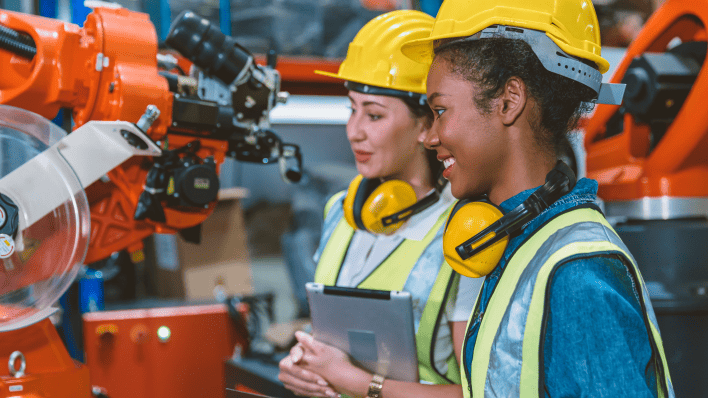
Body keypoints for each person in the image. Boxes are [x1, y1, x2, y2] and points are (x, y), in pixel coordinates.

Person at [398, 0, 675, 397]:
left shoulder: (579, 273)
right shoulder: (521, 241)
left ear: (509, 101)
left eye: (440, 110)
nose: (430, 137)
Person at [277, 10, 481, 398]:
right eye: (351, 109)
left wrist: (354, 382)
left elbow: (478, 392)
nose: (354, 131)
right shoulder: (341, 211)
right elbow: (333, 341)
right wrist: (304, 367)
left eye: (373, 115)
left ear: (426, 126)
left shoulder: (464, 234)